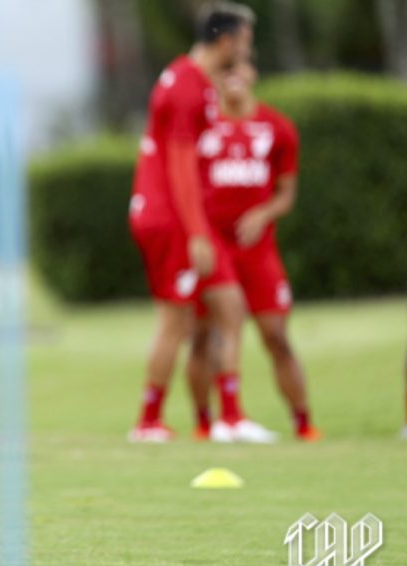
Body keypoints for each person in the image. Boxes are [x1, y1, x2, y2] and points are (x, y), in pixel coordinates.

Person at [128, 2, 276, 444]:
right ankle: (148, 422)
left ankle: (230, 418)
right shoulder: (187, 88)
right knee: (175, 322)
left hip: (176, 216)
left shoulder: (192, 81)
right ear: (227, 41)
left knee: (230, 307)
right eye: (245, 42)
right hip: (170, 217)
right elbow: (180, 166)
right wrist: (197, 233)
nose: (247, 51)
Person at [186, 60, 319, 441]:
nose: (233, 77)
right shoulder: (201, 127)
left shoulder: (278, 128)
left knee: (276, 335)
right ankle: (207, 422)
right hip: (213, 247)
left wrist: (263, 214)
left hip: (257, 251)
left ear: (253, 72)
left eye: (240, 68)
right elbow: (184, 185)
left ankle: (304, 425)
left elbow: (286, 193)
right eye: (225, 70)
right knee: (204, 334)